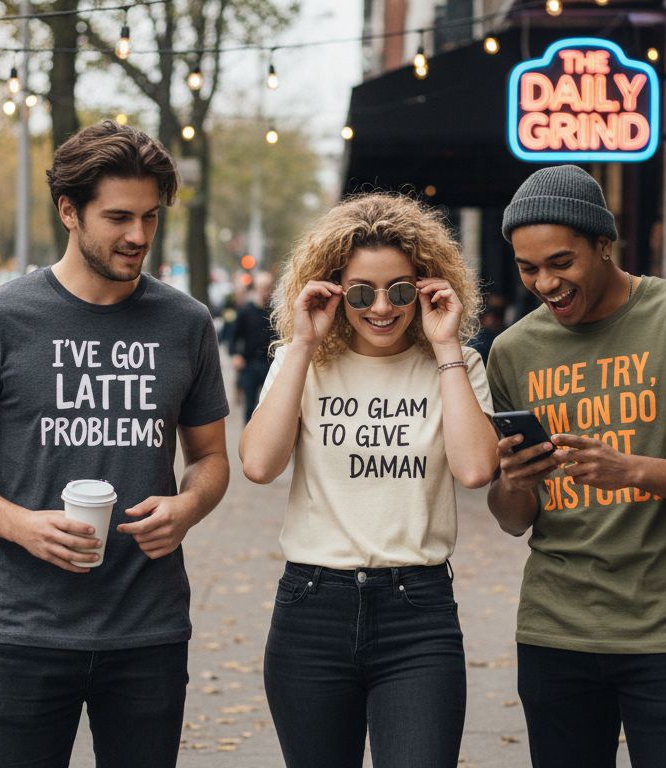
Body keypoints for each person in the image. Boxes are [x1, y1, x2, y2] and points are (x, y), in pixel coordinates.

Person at [0, 120, 230, 768]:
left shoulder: (187, 323)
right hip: (29, 629)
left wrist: (188, 507)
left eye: (150, 216)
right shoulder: (0, 318)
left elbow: (210, 459)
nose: (139, 235)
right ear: (69, 210)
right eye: (118, 216)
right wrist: (21, 525)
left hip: (148, 629)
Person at [484, 165, 666, 768]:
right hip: (553, 628)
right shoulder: (512, 351)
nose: (545, 283)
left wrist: (633, 469)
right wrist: (515, 482)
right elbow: (511, 519)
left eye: (561, 262)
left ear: (603, 244)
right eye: (529, 268)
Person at [239, 194, 499, 768]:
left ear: (427, 286)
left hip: (418, 613)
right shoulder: (300, 362)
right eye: (361, 292)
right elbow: (259, 466)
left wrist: (448, 345)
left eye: (400, 290)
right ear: (332, 290)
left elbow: (477, 470)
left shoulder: (455, 366)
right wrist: (304, 343)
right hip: (311, 609)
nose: (382, 307)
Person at [228, 271, 275, 423]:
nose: (264, 292)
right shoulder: (245, 311)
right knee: (250, 403)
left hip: (271, 364)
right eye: (261, 288)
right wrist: (235, 354)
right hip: (250, 363)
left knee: (270, 404)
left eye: (267, 288)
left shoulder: (276, 312)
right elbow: (234, 336)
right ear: (256, 288)